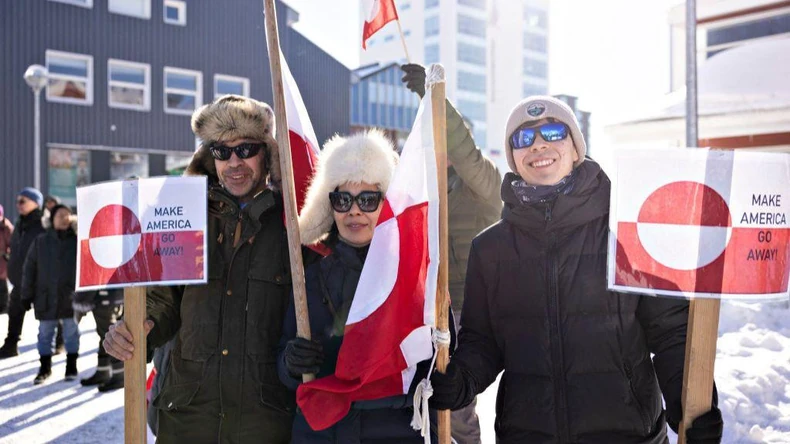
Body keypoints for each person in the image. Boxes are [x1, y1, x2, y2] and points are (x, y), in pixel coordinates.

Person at [428, 96, 724, 443]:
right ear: (514, 158)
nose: (538, 144)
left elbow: (671, 333)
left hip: (628, 435)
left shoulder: (626, 232)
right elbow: (483, 342)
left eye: (553, 132)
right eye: (523, 138)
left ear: (575, 148)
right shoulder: (490, 249)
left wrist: (689, 408)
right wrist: (461, 380)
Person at [103, 95, 313, 443]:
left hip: (263, 421)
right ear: (209, 157)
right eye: (222, 151)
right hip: (188, 417)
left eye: (246, 149)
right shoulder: (183, 217)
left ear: (267, 153)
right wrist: (140, 327)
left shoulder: (293, 225)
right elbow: (161, 298)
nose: (234, 162)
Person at [278, 130, 451, 442]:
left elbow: (443, 360)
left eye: (368, 200)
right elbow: (282, 364)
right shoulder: (309, 278)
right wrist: (291, 364)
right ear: (330, 206)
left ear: (386, 204)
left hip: (396, 432)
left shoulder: (417, 277)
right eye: (342, 200)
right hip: (322, 434)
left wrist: (452, 383)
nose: (354, 211)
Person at [402, 63, 502, 444]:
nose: (438, 147)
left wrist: (435, 100)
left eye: (443, 138)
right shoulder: (419, 192)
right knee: (429, 398)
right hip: (430, 312)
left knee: (459, 407)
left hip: (475, 313)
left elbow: (466, 154)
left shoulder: (484, 187)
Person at [22, 204, 80, 384]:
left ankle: (71, 366)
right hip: (45, 297)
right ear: (52, 219)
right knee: (45, 334)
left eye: (67, 215)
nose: (64, 218)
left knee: (71, 333)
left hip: (70, 298)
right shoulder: (41, 241)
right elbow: (29, 269)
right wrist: (26, 295)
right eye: (60, 215)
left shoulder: (77, 241)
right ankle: (44, 368)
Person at [0, 188, 46, 359]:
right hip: (20, 278)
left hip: (39, 280)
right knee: (14, 312)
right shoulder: (20, 223)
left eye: (22, 201)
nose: (18, 205)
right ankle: (11, 344)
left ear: (36, 203)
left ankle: (56, 344)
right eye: (17, 201)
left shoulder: (43, 224)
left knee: (47, 315)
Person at [73, 288, 125, 391]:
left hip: (103, 298)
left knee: (109, 336)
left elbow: (91, 280)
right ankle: (103, 370)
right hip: (115, 296)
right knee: (106, 336)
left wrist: (81, 301)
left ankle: (119, 375)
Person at [0, 204, 13, 315]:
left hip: (2, 262)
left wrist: (6, 254)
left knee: (2, 285)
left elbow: (13, 244)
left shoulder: (6, 227)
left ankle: (4, 307)